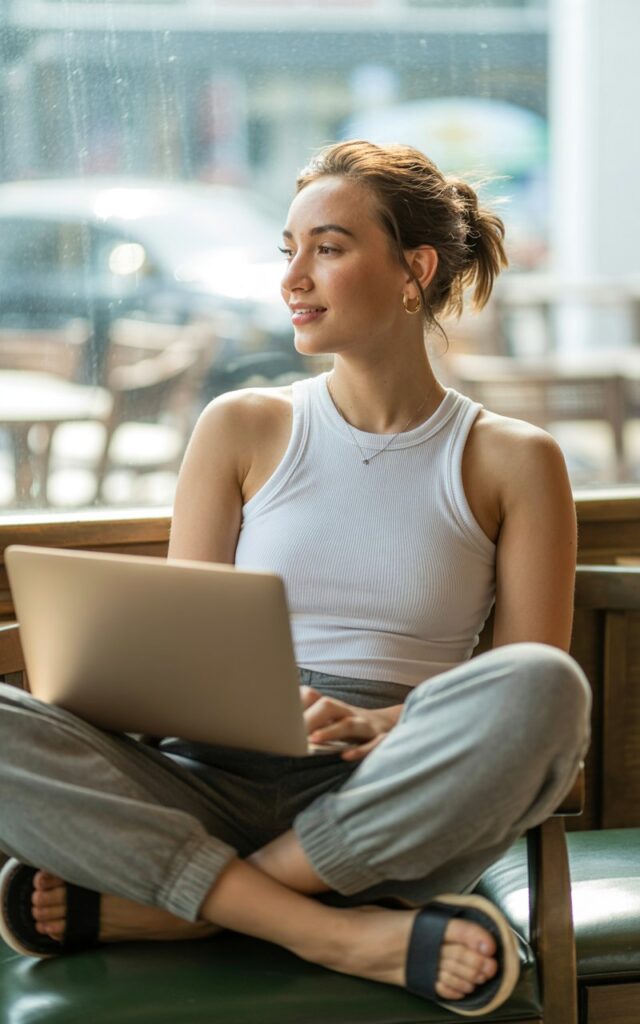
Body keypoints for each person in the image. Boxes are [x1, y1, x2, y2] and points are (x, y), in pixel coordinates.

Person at [0, 140, 590, 1018]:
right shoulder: (238, 426)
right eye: (289, 250)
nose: (293, 279)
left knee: (549, 689)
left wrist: (384, 719)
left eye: (329, 247)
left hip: (389, 791)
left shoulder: (514, 459)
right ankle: (332, 929)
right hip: (208, 778)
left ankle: (195, 907)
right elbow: (182, 653)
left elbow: (521, 675)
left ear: (413, 270)